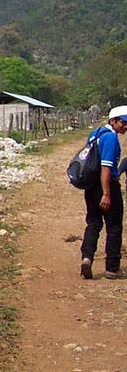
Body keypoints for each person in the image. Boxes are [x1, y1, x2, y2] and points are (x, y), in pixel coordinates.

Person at [80, 106, 127, 279]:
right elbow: (106, 168)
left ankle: (86, 258)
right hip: (106, 186)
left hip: (90, 187)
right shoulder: (110, 138)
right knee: (114, 226)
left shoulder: (95, 134)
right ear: (113, 120)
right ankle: (112, 268)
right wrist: (106, 194)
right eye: (123, 122)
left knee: (93, 223)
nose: (125, 126)